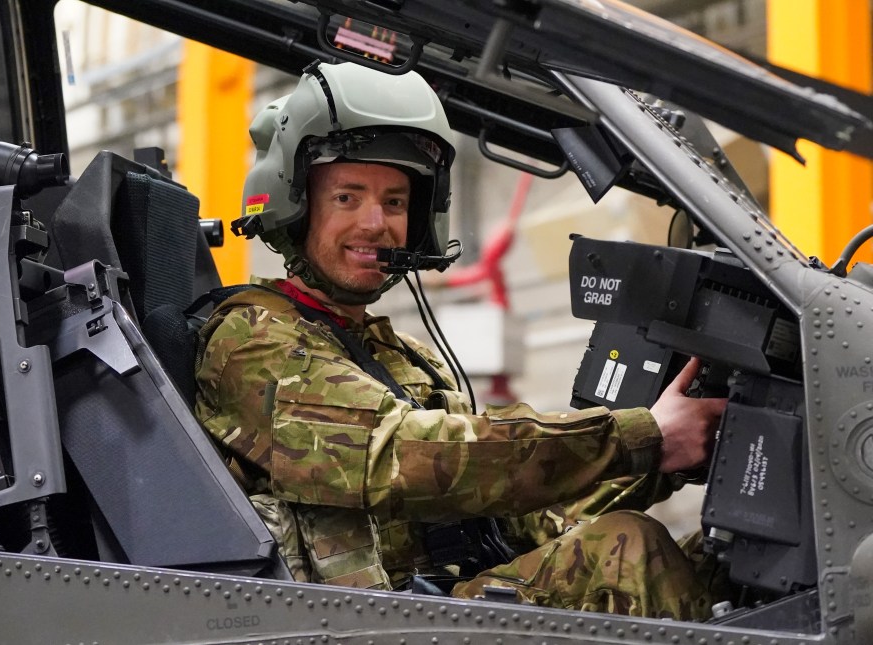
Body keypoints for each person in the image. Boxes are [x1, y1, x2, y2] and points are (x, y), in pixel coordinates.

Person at [194, 61, 727, 619]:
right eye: (347, 198)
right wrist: (638, 437)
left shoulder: (400, 358)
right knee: (626, 549)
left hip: (438, 606)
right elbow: (405, 453)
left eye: (396, 202)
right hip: (363, 623)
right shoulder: (253, 342)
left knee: (712, 565)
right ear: (296, 205)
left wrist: (660, 460)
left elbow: (523, 518)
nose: (377, 223)